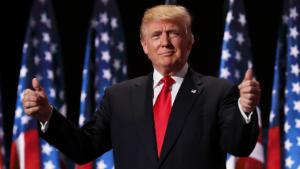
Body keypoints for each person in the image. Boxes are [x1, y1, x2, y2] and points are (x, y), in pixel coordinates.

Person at [22, 4, 261, 169]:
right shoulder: (119, 96)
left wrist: (246, 109)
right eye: (156, 35)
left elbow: (238, 146)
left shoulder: (217, 92)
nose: (165, 42)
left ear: (190, 42)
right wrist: (47, 116)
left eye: (174, 33)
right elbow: (84, 148)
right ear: (144, 45)